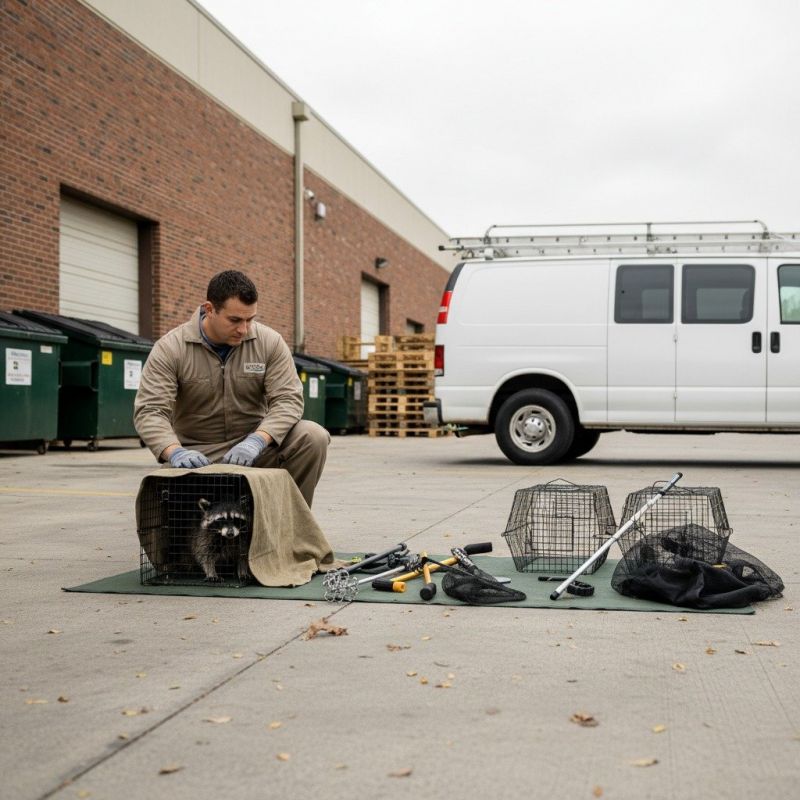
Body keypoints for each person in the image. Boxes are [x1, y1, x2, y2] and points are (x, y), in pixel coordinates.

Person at [134, 270, 329, 507]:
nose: (244, 329)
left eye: (250, 319)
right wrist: (174, 452)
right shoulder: (170, 348)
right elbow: (150, 411)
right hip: (198, 456)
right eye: (235, 320)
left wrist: (257, 441)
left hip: (255, 449)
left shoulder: (269, 343)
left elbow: (288, 400)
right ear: (209, 309)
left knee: (312, 436)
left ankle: (289, 526)